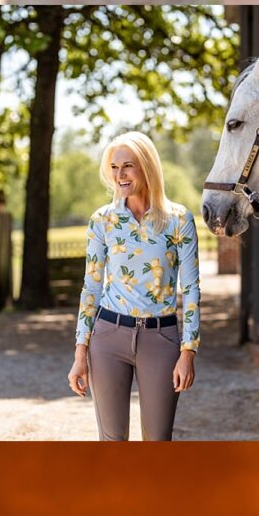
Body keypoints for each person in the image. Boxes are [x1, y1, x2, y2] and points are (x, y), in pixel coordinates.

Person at [68, 134, 200, 442]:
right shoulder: (102, 221)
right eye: (114, 167)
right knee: (112, 440)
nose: (120, 175)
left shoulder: (179, 220)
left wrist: (188, 351)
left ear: (147, 167)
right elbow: (91, 287)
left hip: (161, 338)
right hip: (108, 336)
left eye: (128, 166)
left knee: (157, 439)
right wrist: (80, 352)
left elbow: (191, 289)